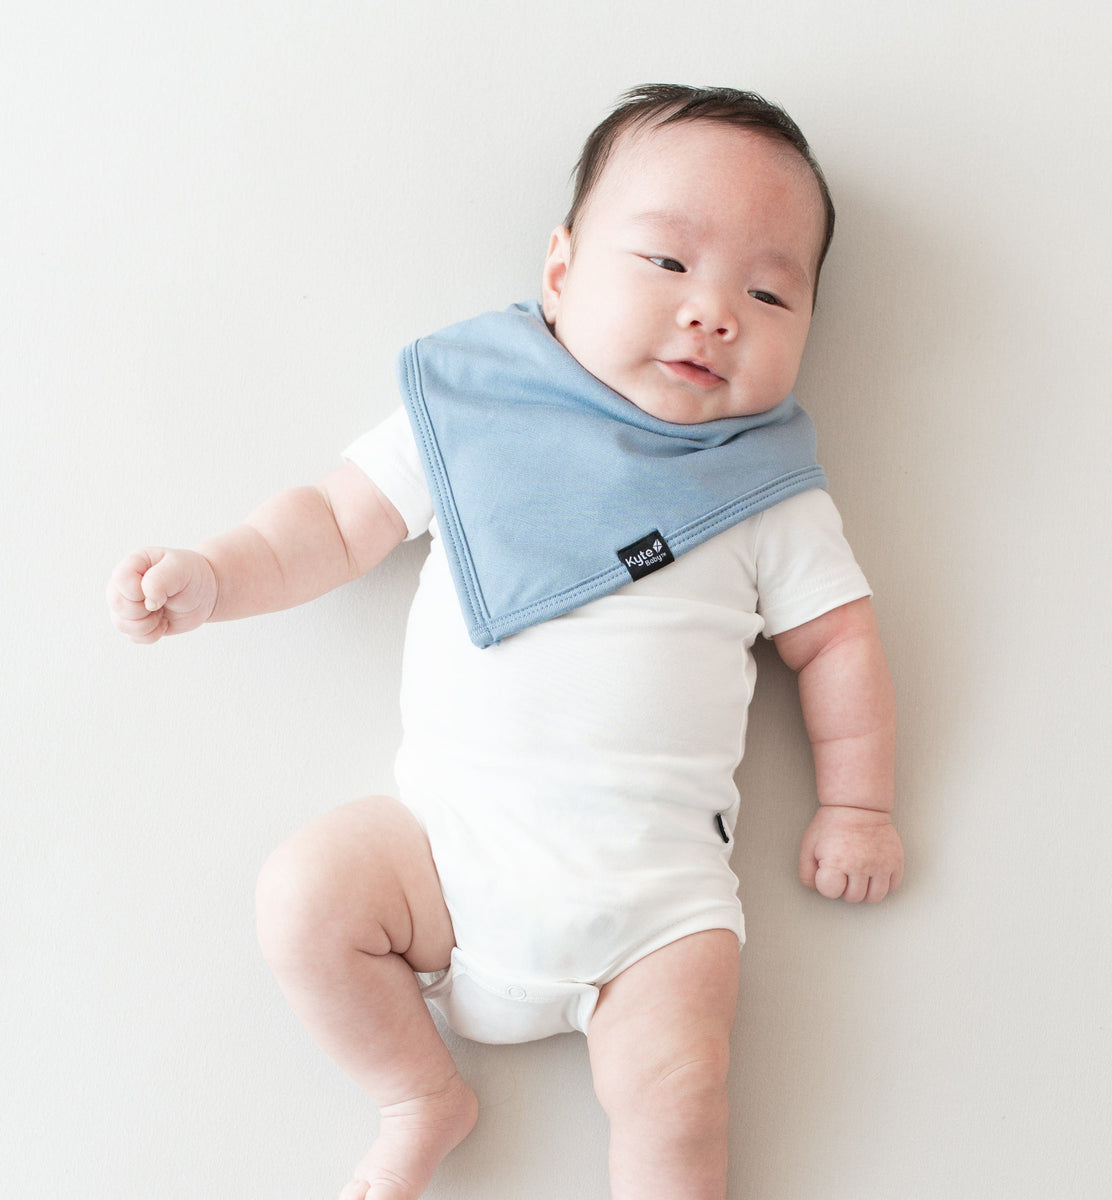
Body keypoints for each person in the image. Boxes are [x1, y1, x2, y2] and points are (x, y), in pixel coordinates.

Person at [108, 84, 904, 1200]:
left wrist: (858, 805)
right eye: (667, 262)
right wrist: (216, 576)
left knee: (679, 1095)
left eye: (768, 293)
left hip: (655, 907)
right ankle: (417, 1094)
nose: (713, 312)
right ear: (561, 271)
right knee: (306, 894)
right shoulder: (477, 416)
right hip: (443, 861)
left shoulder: (767, 492)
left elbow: (838, 646)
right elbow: (330, 523)